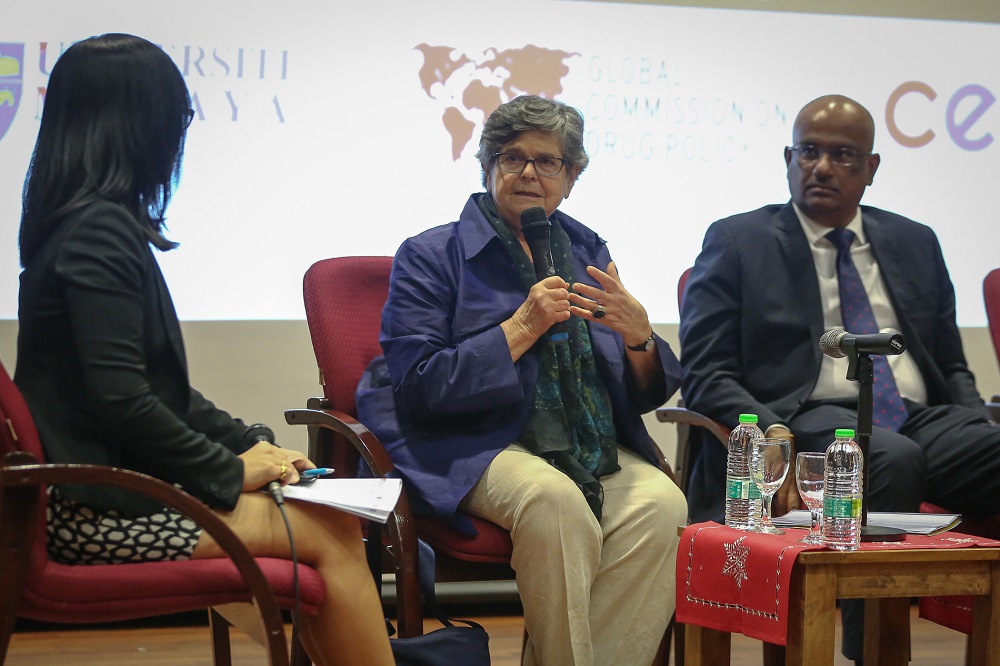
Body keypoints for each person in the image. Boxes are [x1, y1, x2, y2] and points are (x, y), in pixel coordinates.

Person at [14, 34, 393, 666]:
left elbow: (158, 390)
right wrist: (226, 471)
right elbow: (124, 402)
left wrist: (245, 443)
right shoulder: (100, 231)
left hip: (94, 496)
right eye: (177, 115)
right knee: (335, 525)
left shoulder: (81, 222)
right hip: (97, 513)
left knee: (324, 522)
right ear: (141, 125)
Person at [356, 94, 687, 666]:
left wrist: (639, 338)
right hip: (473, 438)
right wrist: (520, 328)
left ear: (572, 175)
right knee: (552, 500)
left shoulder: (586, 248)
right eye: (511, 157)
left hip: (582, 442)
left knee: (661, 504)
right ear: (489, 168)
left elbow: (634, 388)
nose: (529, 172)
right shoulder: (431, 254)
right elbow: (420, 386)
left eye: (548, 161)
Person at [679, 93, 1000, 663]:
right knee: (889, 458)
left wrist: (976, 426)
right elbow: (706, 371)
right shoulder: (738, 241)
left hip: (916, 415)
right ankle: (870, 652)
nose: (821, 167)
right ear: (787, 157)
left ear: (871, 169)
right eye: (808, 152)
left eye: (843, 155)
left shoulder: (914, 240)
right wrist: (771, 430)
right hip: (802, 422)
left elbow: (950, 364)